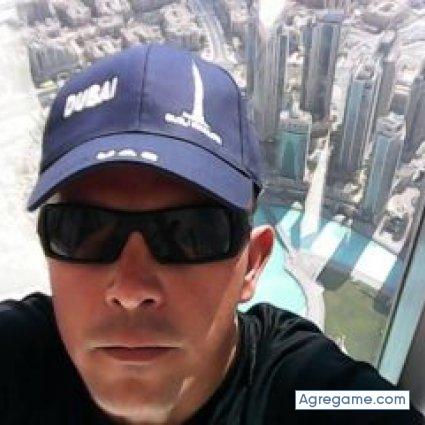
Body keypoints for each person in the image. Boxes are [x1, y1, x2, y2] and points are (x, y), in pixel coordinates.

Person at [0, 43, 423, 425]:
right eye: (81, 231)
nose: (130, 290)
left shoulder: (306, 391)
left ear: (252, 265)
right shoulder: (18, 358)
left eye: (191, 234)